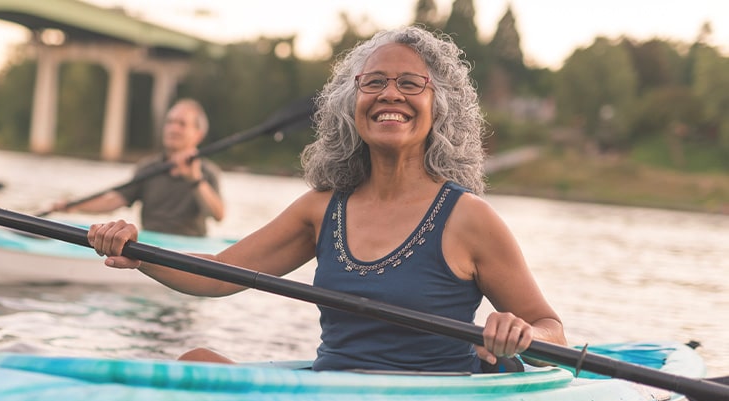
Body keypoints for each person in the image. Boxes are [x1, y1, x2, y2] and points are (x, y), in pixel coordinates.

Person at [87, 26, 567, 373]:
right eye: (373, 82)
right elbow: (215, 273)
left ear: (439, 106)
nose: (389, 94)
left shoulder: (470, 218)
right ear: (350, 104)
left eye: (410, 83)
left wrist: (521, 335)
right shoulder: (321, 209)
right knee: (194, 363)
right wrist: (136, 250)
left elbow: (550, 327)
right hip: (331, 399)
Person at [54, 98, 224, 237]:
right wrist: (74, 205)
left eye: (181, 124)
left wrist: (194, 180)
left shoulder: (208, 172)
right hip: (151, 243)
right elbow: (114, 200)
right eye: (170, 122)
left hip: (189, 248)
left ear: (198, 134)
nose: (173, 128)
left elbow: (217, 215)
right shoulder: (148, 167)